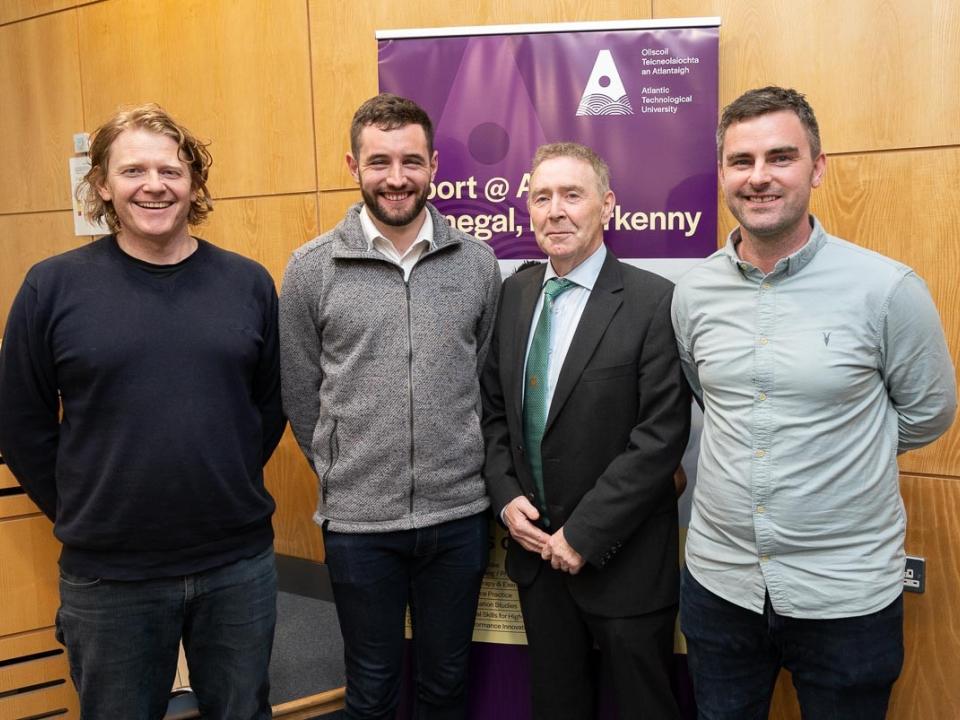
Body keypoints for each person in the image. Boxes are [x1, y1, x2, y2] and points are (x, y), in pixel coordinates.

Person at [672, 86, 957, 719]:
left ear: (818, 167)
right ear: (722, 173)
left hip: (846, 596)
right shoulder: (692, 295)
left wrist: (841, 447)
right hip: (721, 587)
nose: (760, 177)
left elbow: (928, 412)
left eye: (781, 156)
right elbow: (707, 393)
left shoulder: (886, 289)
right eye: (741, 161)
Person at [0, 103, 284, 719]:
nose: (154, 186)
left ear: (194, 184)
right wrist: (87, 502)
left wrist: (219, 474)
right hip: (110, 575)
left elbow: (266, 408)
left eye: (171, 171)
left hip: (236, 564)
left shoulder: (248, 283)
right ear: (101, 183)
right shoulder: (51, 287)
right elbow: (19, 423)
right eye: (133, 171)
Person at [279, 93, 501, 719]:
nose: (396, 178)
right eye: (380, 162)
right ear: (353, 165)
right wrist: (341, 464)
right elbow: (300, 393)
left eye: (411, 161)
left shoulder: (477, 264)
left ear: (434, 165)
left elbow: (484, 379)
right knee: (371, 689)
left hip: (458, 518)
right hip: (358, 525)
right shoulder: (310, 269)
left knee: (445, 682)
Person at [481, 142, 691, 720]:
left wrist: (585, 535)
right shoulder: (514, 294)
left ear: (608, 206)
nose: (556, 211)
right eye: (542, 197)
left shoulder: (654, 301)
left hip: (624, 564)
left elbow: (659, 439)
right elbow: (494, 411)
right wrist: (505, 498)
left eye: (573, 195)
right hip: (536, 558)